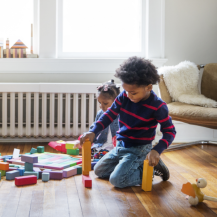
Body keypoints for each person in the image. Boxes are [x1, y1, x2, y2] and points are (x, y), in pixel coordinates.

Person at [80, 57, 176, 188]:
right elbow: (109, 115)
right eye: (126, 91)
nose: (129, 96)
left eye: (133, 93)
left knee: (117, 181)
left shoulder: (158, 106)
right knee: (99, 170)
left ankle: (150, 169)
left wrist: (157, 150)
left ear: (148, 87)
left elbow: (170, 132)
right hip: (120, 146)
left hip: (139, 149)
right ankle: (138, 165)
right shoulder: (124, 96)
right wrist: (93, 131)